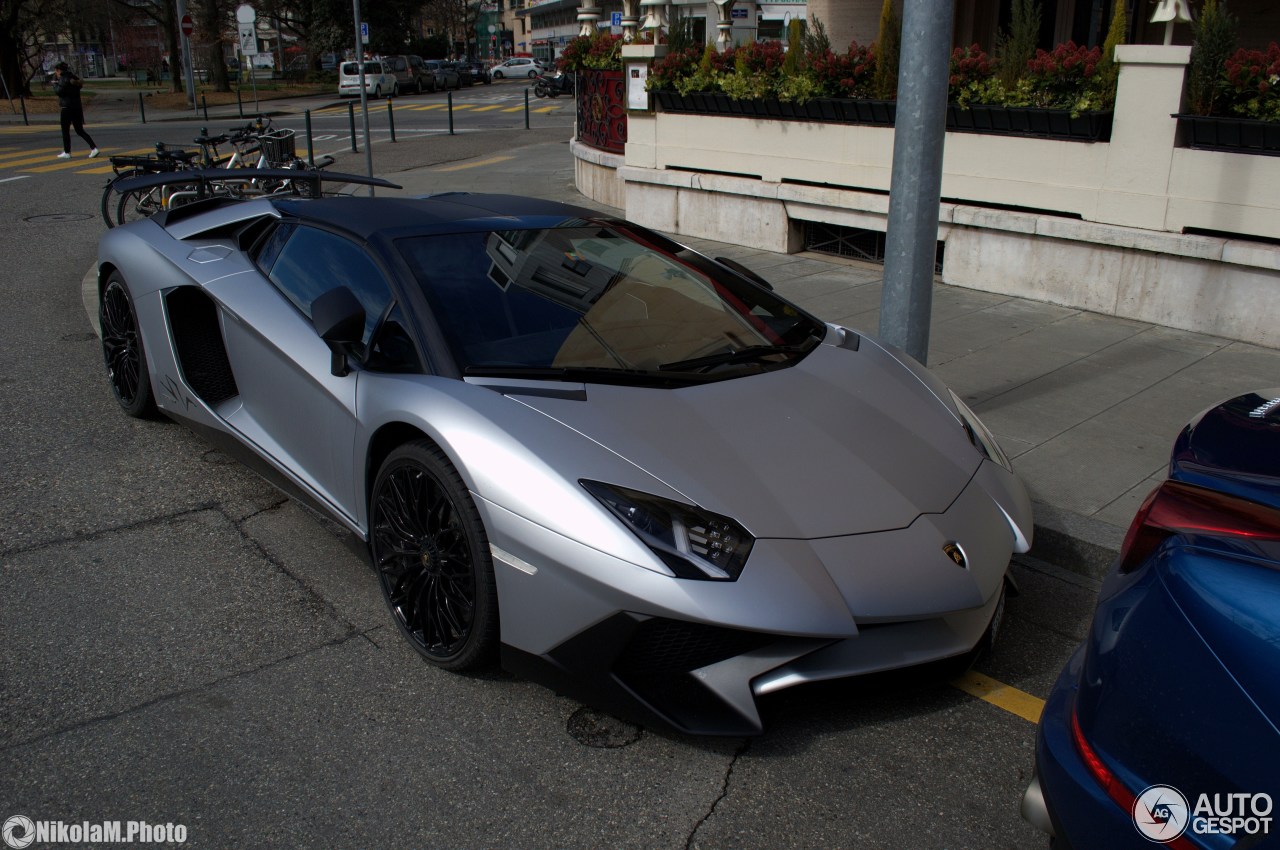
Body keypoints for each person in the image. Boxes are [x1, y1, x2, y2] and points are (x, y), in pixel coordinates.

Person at [51, 61, 98, 159]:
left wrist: (54, 84)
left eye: (56, 71)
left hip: (66, 108)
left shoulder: (63, 79)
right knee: (79, 130)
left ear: (58, 70)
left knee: (65, 130)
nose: (55, 73)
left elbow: (59, 92)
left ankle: (67, 152)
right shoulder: (73, 77)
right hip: (77, 107)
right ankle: (94, 148)